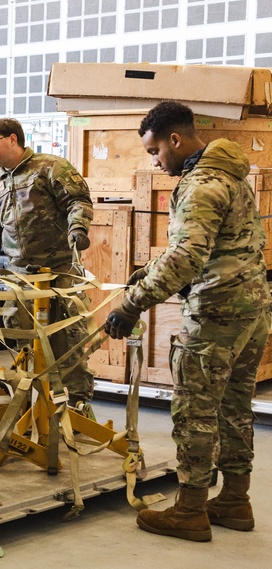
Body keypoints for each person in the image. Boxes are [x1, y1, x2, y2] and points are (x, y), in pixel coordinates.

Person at [105, 101, 272, 542]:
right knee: (235, 408)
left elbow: (187, 255)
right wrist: (148, 276)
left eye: (155, 150)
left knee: (195, 412)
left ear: (174, 139)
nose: (155, 161)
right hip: (251, 310)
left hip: (215, 315)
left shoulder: (200, 185)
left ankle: (191, 509)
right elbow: (216, 249)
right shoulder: (232, 175)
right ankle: (236, 499)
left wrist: (133, 303)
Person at [0, 117, 95, 411]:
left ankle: (77, 408)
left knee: (68, 344)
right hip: (20, 280)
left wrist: (78, 228)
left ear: (13, 139)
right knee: (24, 346)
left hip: (59, 273)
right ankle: (31, 407)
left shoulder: (51, 167)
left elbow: (78, 200)